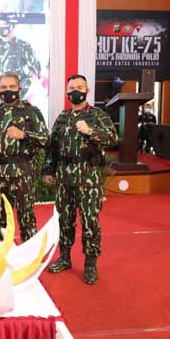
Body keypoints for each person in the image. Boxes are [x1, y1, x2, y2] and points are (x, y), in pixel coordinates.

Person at [43, 74, 118, 285]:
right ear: (67, 93)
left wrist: (90, 131)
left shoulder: (97, 114)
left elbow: (113, 138)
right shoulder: (62, 117)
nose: (75, 90)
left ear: (87, 91)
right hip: (65, 175)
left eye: (80, 87)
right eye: (72, 87)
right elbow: (52, 147)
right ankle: (65, 258)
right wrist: (48, 170)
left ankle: (90, 264)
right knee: (64, 220)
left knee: (90, 222)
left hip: (88, 176)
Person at [0, 72, 49, 242]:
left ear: (19, 88)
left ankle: (29, 254)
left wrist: (24, 135)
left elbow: (44, 139)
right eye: (3, 87)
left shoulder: (30, 111)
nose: (7, 90)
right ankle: (3, 255)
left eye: (11, 87)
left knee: (26, 216)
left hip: (22, 171)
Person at [0, 13, 41, 107]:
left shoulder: (23, 46)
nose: (2, 28)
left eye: (5, 25)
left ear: (13, 26)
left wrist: (21, 90)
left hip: (17, 101)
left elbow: (35, 72)